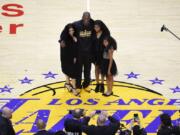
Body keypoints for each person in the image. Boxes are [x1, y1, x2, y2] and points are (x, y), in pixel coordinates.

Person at [60, 12, 95, 91]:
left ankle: (86, 85)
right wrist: (62, 39)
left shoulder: (93, 24)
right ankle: (78, 86)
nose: (86, 20)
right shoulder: (76, 24)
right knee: (78, 70)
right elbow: (67, 28)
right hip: (79, 52)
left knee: (87, 70)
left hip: (88, 53)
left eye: (88, 19)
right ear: (82, 18)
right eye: (85, 19)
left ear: (90, 18)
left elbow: (101, 28)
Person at [59, 23, 79, 96]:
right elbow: (66, 50)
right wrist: (73, 58)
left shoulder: (74, 36)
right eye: (70, 31)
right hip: (67, 59)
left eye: (72, 30)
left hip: (73, 58)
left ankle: (67, 84)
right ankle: (74, 88)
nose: (71, 32)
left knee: (69, 72)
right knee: (73, 74)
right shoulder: (64, 39)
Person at [93, 20, 110, 93]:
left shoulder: (105, 34)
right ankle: (97, 84)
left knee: (102, 69)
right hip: (95, 54)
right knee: (96, 68)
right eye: (94, 27)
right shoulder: (93, 33)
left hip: (103, 54)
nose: (95, 28)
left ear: (100, 27)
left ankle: (102, 84)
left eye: (97, 27)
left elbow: (108, 44)